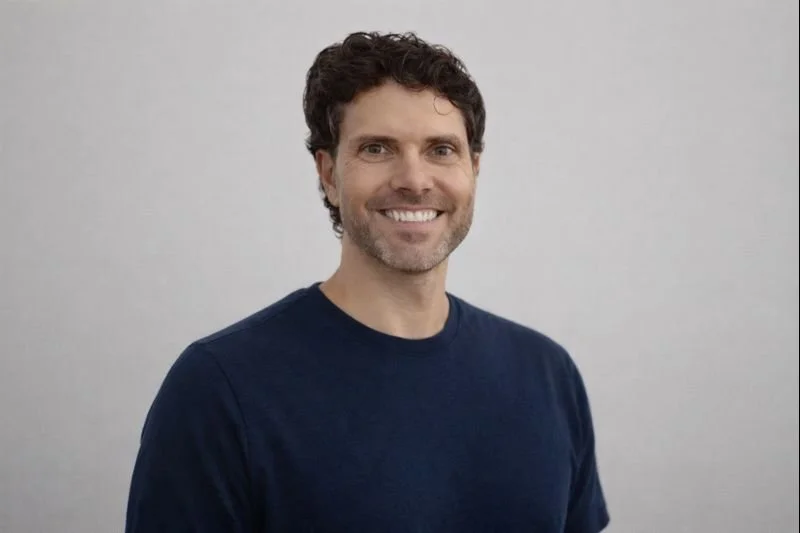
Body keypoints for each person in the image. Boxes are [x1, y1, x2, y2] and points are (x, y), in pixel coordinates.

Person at [125, 31, 610, 533]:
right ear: (329, 174)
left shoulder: (547, 375)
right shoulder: (219, 389)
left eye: (441, 149)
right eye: (378, 148)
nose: (415, 179)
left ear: (474, 170)